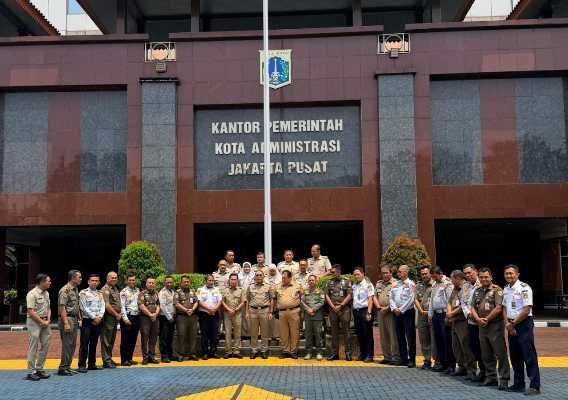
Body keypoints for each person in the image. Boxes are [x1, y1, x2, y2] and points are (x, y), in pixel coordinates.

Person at [502, 264, 541, 395]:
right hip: (510, 324)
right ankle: (519, 383)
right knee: (515, 356)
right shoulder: (506, 288)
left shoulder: (524, 288)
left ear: (517, 274)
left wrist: (512, 324)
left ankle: (535, 386)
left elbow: (526, 309)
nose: (508, 275)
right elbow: (504, 308)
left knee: (528, 356)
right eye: (506, 273)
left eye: (511, 273)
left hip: (523, 324)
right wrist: (507, 323)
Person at [470, 267, 510, 390]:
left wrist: (487, 319)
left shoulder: (497, 290)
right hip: (482, 326)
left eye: (486, 277)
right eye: (481, 277)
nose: (483, 279)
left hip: (495, 326)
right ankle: (491, 377)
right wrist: (477, 319)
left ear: (491, 277)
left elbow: (499, 308)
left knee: (500, 353)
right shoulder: (477, 291)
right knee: (486, 354)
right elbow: (472, 307)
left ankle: (504, 379)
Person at [447, 270, 476, 379]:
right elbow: (450, 301)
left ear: (458, 278)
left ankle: (471, 370)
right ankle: (462, 367)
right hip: (454, 321)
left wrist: (452, 313)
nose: (451, 281)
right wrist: (449, 312)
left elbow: (464, 304)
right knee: (456, 346)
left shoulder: (466, 287)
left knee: (465, 346)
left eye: (452, 279)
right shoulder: (454, 288)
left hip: (463, 321)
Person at [25, 273, 52, 381]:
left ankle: (39, 369)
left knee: (45, 345)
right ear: (41, 282)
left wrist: (48, 320)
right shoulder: (32, 294)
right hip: (34, 322)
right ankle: (31, 372)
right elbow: (31, 311)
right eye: (48, 281)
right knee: (34, 346)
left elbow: (49, 308)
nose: (50, 283)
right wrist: (41, 321)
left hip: (45, 322)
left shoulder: (47, 293)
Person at [428, 266, 455, 374]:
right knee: (438, 340)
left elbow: (450, 300)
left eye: (435, 276)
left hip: (444, 314)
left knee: (446, 340)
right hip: (436, 314)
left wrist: (448, 315)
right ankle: (442, 364)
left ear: (440, 273)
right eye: (432, 277)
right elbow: (432, 299)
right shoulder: (435, 284)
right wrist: (430, 314)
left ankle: (450, 365)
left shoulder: (448, 283)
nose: (434, 279)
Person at [390, 265, 416, 367]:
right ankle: (403, 358)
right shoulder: (395, 284)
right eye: (398, 272)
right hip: (397, 312)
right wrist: (394, 308)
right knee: (400, 335)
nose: (398, 273)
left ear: (406, 272)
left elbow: (411, 298)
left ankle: (412, 359)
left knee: (410, 336)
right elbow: (391, 297)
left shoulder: (411, 283)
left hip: (407, 312)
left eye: (400, 272)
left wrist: (401, 309)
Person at [78, 274, 105, 372]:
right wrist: (94, 317)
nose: (94, 282)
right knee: (84, 343)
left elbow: (103, 306)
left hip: (98, 321)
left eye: (96, 280)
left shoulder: (100, 293)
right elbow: (83, 307)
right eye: (92, 280)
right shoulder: (83, 293)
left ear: (99, 282)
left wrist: (100, 317)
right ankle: (81, 365)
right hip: (87, 321)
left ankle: (92, 364)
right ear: (88, 282)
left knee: (94, 343)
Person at [325, 264, 352, 361]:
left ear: (339, 271)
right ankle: (334, 353)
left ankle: (348, 353)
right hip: (333, 310)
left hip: (344, 309)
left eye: (334, 272)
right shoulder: (329, 282)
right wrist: (333, 306)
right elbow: (326, 295)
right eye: (332, 272)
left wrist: (341, 305)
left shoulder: (346, 281)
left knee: (346, 332)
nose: (332, 273)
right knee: (334, 332)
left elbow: (349, 295)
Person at [58, 269, 82, 376]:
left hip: (74, 319)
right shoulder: (65, 290)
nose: (81, 279)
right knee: (67, 344)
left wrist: (79, 317)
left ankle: (67, 366)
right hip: (67, 319)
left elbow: (75, 305)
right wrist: (66, 323)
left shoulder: (75, 289)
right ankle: (63, 368)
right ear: (73, 278)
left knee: (72, 344)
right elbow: (62, 307)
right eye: (79, 277)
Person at [274, 270, 303, 359]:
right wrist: (275, 310)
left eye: (285, 278)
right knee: (283, 333)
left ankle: (294, 351)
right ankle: (285, 350)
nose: (283, 279)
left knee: (295, 332)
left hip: (294, 311)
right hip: (282, 312)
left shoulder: (297, 286)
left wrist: (301, 312)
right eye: (282, 277)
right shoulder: (277, 286)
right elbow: (275, 299)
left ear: (290, 278)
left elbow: (302, 298)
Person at [374, 264, 399, 365]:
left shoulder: (395, 283)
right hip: (381, 312)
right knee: (383, 335)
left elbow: (397, 298)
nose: (384, 275)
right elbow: (375, 296)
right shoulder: (379, 284)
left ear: (391, 273)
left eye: (386, 273)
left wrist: (388, 308)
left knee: (393, 335)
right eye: (383, 273)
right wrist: (378, 307)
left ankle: (395, 357)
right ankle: (387, 356)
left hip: (391, 312)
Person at [462, 263, 484, 381]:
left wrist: (476, 316)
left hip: (482, 321)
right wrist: (468, 313)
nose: (467, 275)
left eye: (469, 272)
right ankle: (480, 372)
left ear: (475, 271)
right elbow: (463, 302)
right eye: (465, 273)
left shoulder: (482, 283)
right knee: (475, 347)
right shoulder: (465, 286)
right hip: (471, 321)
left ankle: (487, 373)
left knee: (484, 348)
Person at [246, 270, 274, 359]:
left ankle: (264, 350)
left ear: (263, 276)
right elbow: (247, 300)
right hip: (253, 311)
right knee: (253, 332)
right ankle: (253, 350)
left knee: (264, 332)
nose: (258, 277)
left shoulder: (268, 286)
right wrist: (247, 312)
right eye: (257, 275)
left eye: (260, 275)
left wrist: (271, 312)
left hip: (264, 310)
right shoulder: (250, 287)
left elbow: (272, 299)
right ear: (255, 277)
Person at [196, 274, 223, 359]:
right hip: (204, 314)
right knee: (205, 334)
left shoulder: (217, 289)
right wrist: (209, 309)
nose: (211, 282)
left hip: (215, 314)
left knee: (214, 334)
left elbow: (220, 301)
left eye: (212, 280)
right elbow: (199, 302)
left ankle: (213, 352)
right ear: (205, 281)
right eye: (209, 280)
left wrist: (214, 309)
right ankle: (205, 353)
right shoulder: (200, 290)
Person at [174, 275, 199, 361]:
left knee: (193, 335)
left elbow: (196, 302)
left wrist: (192, 309)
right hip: (181, 317)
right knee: (181, 335)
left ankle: (192, 353)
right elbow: (176, 304)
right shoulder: (177, 292)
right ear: (181, 283)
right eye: (184, 282)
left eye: (188, 282)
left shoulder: (193, 291)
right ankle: (181, 354)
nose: (186, 283)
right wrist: (186, 310)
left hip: (192, 316)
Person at [414, 265, 435, 369]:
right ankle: (427, 360)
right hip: (422, 315)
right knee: (424, 338)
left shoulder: (435, 285)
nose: (424, 276)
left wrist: (429, 311)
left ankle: (437, 361)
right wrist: (421, 310)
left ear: (430, 273)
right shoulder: (419, 285)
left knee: (434, 338)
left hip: (432, 315)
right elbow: (415, 299)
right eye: (422, 274)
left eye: (426, 273)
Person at [352, 267, 374, 362]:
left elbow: (370, 299)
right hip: (356, 312)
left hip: (365, 311)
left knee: (367, 334)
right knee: (360, 334)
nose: (356, 276)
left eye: (358, 274)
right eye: (355, 275)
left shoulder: (368, 284)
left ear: (363, 274)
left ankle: (369, 355)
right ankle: (363, 353)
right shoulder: (354, 286)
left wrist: (369, 312)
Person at [301, 274, 325, 360]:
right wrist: (308, 309)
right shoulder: (305, 291)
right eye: (310, 280)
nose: (311, 282)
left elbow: (322, 302)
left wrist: (313, 309)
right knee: (308, 335)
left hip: (317, 316)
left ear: (316, 281)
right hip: (308, 316)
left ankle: (319, 352)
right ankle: (308, 352)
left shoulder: (320, 291)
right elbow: (302, 302)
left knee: (318, 334)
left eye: (312, 280)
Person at [222, 273, 246, 358]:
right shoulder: (225, 290)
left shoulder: (241, 290)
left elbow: (243, 302)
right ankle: (228, 351)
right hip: (227, 314)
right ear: (229, 280)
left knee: (237, 332)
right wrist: (229, 309)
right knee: (227, 333)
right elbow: (222, 302)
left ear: (237, 280)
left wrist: (235, 310)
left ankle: (236, 351)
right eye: (232, 279)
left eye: (235, 279)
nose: (233, 281)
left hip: (237, 313)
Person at [100, 271, 121, 369]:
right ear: (107, 278)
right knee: (106, 339)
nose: (114, 279)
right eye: (112, 277)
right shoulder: (105, 289)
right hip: (108, 317)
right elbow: (107, 305)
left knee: (111, 339)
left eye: (115, 277)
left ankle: (109, 358)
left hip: (115, 317)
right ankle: (106, 361)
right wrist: (116, 314)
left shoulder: (115, 288)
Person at [119, 272, 140, 366]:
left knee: (133, 339)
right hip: (128, 316)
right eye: (130, 280)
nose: (132, 281)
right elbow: (122, 306)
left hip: (136, 317)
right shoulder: (123, 292)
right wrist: (125, 319)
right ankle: (124, 360)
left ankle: (129, 358)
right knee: (125, 340)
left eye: (133, 280)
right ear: (127, 281)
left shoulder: (138, 290)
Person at [138, 277, 160, 365]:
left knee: (153, 338)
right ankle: (145, 357)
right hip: (145, 318)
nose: (151, 284)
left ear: (155, 284)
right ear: (146, 284)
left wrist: (156, 314)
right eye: (149, 283)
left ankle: (152, 356)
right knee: (145, 338)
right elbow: (141, 305)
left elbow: (158, 305)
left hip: (155, 318)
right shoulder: (142, 293)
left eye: (153, 283)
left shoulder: (157, 293)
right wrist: (150, 314)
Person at [158, 275, 176, 363]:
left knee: (170, 337)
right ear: (164, 283)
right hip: (164, 318)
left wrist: (173, 316)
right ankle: (164, 356)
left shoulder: (172, 291)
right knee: (164, 337)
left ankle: (170, 355)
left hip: (172, 318)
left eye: (171, 282)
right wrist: (169, 317)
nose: (169, 284)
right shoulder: (162, 292)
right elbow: (162, 306)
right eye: (167, 282)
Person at [238, 261, 255, 338]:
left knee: (251, 316)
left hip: (252, 297)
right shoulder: (239, 276)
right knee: (243, 315)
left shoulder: (254, 275)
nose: (246, 268)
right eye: (245, 267)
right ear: (243, 268)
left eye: (248, 267)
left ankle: (251, 334)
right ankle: (244, 334)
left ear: (250, 268)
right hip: (242, 297)